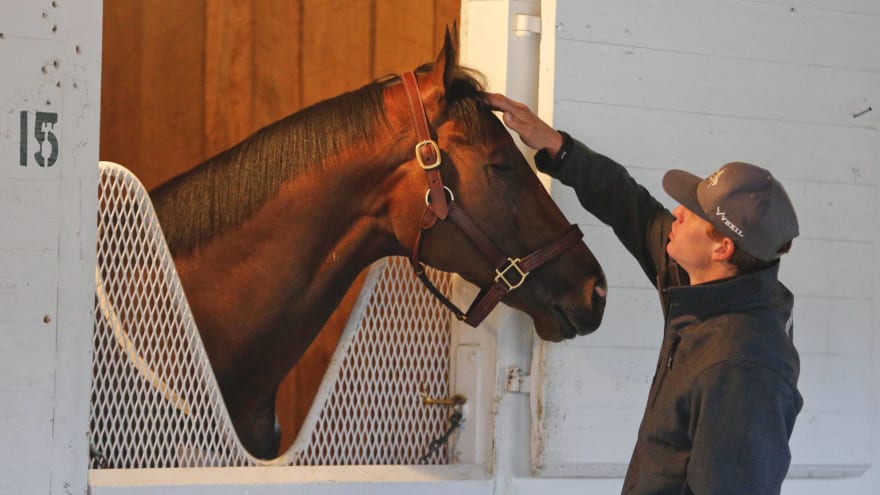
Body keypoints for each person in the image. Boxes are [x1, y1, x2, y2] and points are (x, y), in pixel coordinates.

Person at [487, 93, 803, 494]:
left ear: (721, 248)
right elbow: (629, 205)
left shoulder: (745, 368)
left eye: (693, 211)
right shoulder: (704, 286)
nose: (677, 212)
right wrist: (558, 148)